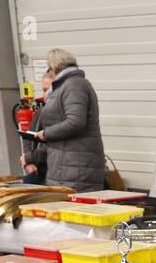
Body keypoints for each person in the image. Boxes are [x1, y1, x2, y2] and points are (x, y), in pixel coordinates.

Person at [25, 48, 107, 191]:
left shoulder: (75, 85)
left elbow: (75, 122)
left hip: (76, 167)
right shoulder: (66, 86)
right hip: (65, 164)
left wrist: (46, 133)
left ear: (54, 67)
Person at [19, 70, 54, 185]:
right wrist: (28, 163)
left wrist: (28, 158)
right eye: (44, 90)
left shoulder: (64, 115)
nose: (45, 95)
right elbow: (28, 137)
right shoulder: (41, 111)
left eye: (48, 90)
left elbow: (54, 148)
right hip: (39, 170)